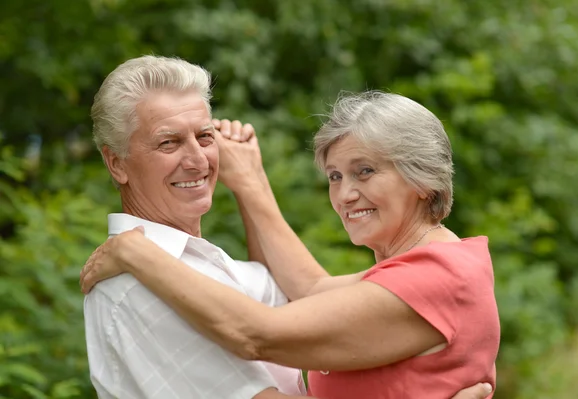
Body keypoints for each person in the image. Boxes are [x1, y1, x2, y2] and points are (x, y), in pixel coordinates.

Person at [83, 55, 490, 399]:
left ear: (423, 179)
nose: (346, 194)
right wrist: (250, 184)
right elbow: (307, 291)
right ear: (116, 163)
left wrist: (135, 251)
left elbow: (261, 329)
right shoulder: (138, 288)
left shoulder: (432, 276)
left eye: (364, 172)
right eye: (168, 143)